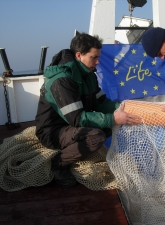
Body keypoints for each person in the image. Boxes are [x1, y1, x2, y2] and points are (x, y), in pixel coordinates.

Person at [35, 32, 141, 187]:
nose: (98, 62)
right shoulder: (62, 81)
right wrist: (113, 119)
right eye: (94, 57)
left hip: (69, 126)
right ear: (79, 55)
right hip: (52, 131)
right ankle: (59, 163)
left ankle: (73, 151)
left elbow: (98, 103)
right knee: (96, 137)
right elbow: (77, 119)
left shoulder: (88, 75)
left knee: (107, 129)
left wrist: (123, 107)